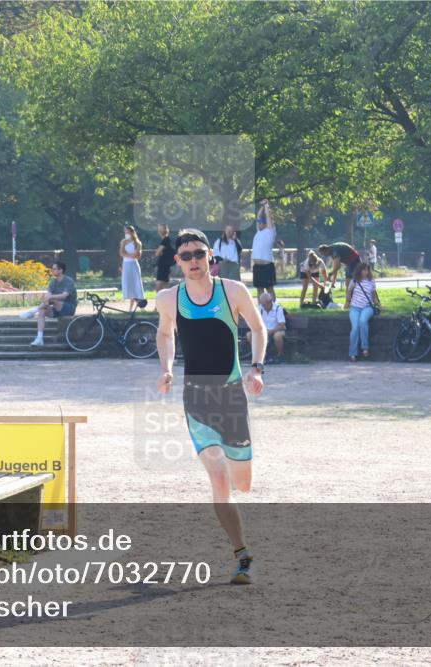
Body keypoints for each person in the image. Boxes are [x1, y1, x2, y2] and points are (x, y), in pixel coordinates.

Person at [154, 228, 267, 585]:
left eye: (199, 255)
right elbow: (164, 333)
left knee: (243, 484)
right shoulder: (168, 299)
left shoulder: (232, 291)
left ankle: (240, 466)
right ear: (177, 262)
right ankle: (242, 554)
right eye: (186, 256)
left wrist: (257, 368)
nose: (193, 262)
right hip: (197, 398)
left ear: (210, 257)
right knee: (218, 477)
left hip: (232, 396)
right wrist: (167, 369)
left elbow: (259, 329)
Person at [28, 261, 77, 347]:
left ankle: (34, 311)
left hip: (68, 308)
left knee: (52, 299)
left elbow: (64, 296)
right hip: (56, 308)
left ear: (60, 270)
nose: (52, 271)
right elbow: (48, 295)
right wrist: (46, 298)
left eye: (54, 269)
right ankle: (39, 338)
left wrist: (49, 298)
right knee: (42, 311)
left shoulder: (69, 281)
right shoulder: (53, 282)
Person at [345, 262, 380, 361]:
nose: (366, 272)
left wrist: (378, 304)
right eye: (364, 269)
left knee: (363, 321)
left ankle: (365, 347)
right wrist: (348, 301)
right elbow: (349, 292)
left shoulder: (371, 281)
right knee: (355, 327)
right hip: (355, 308)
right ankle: (353, 353)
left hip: (367, 307)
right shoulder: (354, 281)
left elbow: (373, 297)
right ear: (359, 271)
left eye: (367, 269)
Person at [246, 292, 286, 362]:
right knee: (249, 335)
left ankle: (280, 356)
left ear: (270, 302)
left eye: (265, 304)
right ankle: (260, 356)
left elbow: (282, 325)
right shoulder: (260, 308)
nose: (263, 306)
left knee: (277, 336)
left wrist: (270, 331)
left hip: (276, 330)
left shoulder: (278, 308)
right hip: (263, 331)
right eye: (262, 304)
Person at [250, 199, 276, 300]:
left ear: (265, 224)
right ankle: (261, 311)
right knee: (259, 289)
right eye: (259, 223)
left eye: (261, 223)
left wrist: (266, 206)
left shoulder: (270, 231)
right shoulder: (258, 232)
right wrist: (261, 207)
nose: (259, 224)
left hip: (267, 266)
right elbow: (258, 216)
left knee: (269, 289)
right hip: (257, 266)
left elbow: (269, 218)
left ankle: (273, 309)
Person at [120, 225, 145, 311]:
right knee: (128, 285)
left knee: (136, 284)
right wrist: (131, 255)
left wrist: (130, 254)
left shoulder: (137, 243)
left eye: (127, 231)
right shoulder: (123, 242)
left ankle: (140, 305)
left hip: (134, 265)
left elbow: (138, 256)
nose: (126, 233)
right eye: (125, 231)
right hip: (126, 264)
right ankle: (133, 306)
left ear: (132, 232)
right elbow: (122, 253)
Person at [154, 224, 176, 291]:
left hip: (164, 266)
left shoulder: (166, 240)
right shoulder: (165, 240)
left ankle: (165, 300)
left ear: (165, 230)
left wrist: (159, 252)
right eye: (158, 229)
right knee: (164, 286)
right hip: (164, 266)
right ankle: (166, 300)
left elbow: (157, 253)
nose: (159, 231)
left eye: (161, 229)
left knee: (159, 286)